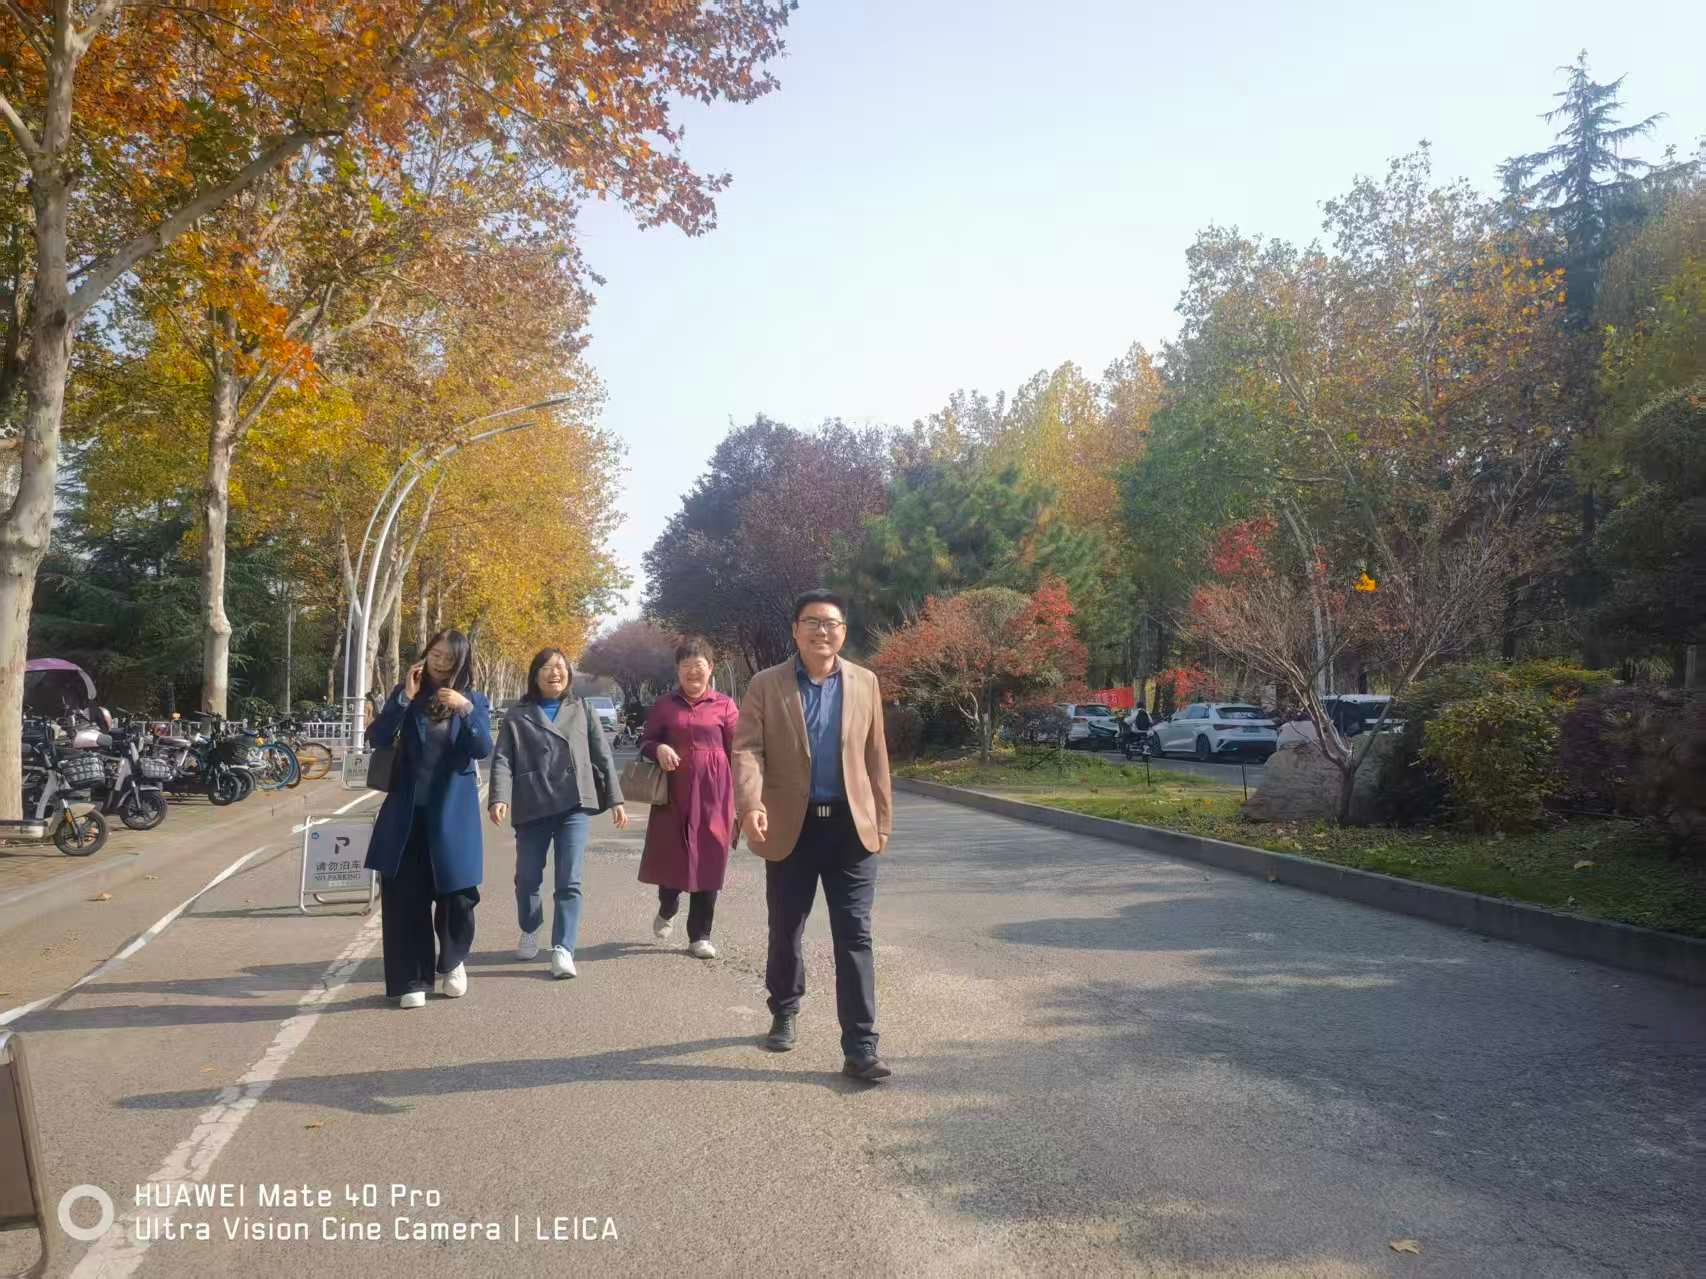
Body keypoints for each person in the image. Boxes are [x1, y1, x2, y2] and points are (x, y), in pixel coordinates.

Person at [732, 589, 894, 1083]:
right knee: (787, 927)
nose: (822, 631)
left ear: (843, 631)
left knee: (855, 933)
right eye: (812, 622)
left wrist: (882, 820)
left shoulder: (864, 682)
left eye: (831, 623)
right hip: (791, 826)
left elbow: (876, 755)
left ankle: (861, 1046)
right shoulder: (766, 684)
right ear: (796, 630)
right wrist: (751, 804)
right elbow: (747, 750)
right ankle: (784, 1008)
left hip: (850, 829)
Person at [364, 629, 491, 1009]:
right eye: (435, 654)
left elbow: (481, 747)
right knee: (405, 898)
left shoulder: (473, 701)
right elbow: (377, 737)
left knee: (458, 895)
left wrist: (464, 709)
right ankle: (411, 979)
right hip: (406, 815)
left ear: (460, 663)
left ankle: (453, 961)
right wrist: (403, 698)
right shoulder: (407, 697)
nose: (440, 663)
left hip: (452, 815)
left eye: (449, 658)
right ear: (425, 654)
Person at [488, 648, 628, 979]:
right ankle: (530, 927)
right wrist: (499, 797)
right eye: (548, 668)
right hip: (532, 802)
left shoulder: (582, 709)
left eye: (561, 667)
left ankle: (563, 948)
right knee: (527, 878)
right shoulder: (517, 715)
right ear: (535, 675)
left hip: (573, 804)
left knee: (569, 879)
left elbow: (602, 756)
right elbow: (503, 759)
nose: (555, 673)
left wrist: (615, 799)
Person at [637, 636, 738, 958]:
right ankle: (667, 906)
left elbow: (739, 750)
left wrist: (743, 799)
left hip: (715, 796)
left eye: (699, 665)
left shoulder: (725, 705)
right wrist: (659, 748)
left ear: (711, 668)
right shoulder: (665, 706)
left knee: (711, 859)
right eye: (686, 666)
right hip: (674, 796)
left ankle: (700, 936)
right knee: (672, 858)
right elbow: (645, 742)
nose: (693, 672)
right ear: (677, 670)